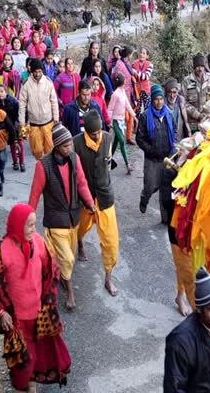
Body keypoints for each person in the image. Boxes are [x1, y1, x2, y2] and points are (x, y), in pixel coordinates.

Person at [0, 204, 71, 393]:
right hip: (17, 322)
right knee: (23, 365)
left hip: (39, 316)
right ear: (17, 224)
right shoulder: (1, 252)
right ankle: (28, 387)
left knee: (40, 357)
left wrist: (48, 299)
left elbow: (50, 268)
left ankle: (32, 388)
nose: (33, 229)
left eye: (34, 224)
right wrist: (1, 312)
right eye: (29, 225)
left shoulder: (38, 242)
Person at [28, 124, 96, 311]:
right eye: (66, 146)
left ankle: (56, 274)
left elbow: (82, 183)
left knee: (67, 255)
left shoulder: (75, 158)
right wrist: (28, 219)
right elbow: (35, 194)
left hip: (74, 217)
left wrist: (90, 203)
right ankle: (70, 292)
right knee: (67, 258)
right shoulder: (43, 165)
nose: (70, 148)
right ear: (57, 146)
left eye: (70, 145)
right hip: (55, 219)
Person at [74, 111, 120, 297]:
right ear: (86, 131)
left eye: (99, 131)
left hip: (105, 197)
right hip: (85, 198)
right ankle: (80, 243)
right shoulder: (76, 143)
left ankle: (108, 278)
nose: (97, 136)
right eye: (93, 134)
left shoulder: (108, 138)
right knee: (80, 229)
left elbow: (109, 163)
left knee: (111, 241)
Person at [135, 84, 174, 223]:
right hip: (152, 158)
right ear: (152, 100)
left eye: (161, 99)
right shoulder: (145, 116)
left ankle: (165, 218)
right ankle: (144, 198)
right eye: (156, 99)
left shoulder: (168, 114)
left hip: (166, 158)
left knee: (165, 189)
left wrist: (173, 150)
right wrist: (150, 149)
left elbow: (174, 131)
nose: (159, 102)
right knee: (151, 186)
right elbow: (139, 138)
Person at [18, 58, 59, 161]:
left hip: (48, 123)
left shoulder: (48, 82)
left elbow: (54, 101)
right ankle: (42, 171)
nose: (37, 74)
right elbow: (22, 104)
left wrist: (56, 118)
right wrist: (22, 122)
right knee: (37, 151)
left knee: (50, 150)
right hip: (34, 125)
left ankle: (50, 173)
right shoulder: (26, 84)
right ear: (32, 71)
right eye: (35, 72)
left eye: (39, 71)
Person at [108, 73, 137, 174]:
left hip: (121, 120)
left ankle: (109, 159)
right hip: (115, 121)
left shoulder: (123, 91)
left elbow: (127, 105)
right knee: (121, 141)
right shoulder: (115, 94)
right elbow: (110, 109)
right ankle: (127, 164)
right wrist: (110, 122)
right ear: (123, 81)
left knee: (116, 141)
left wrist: (134, 115)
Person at [0, 85, 25, 172]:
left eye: (2, 91)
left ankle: (22, 162)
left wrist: (18, 122)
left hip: (16, 125)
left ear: (6, 92)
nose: (0, 94)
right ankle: (15, 162)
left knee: (20, 144)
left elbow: (20, 111)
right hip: (7, 127)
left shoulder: (13, 101)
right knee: (12, 145)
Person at [111, 47, 136, 143]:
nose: (132, 56)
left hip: (129, 93)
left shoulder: (127, 64)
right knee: (124, 116)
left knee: (130, 116)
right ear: (128, 55)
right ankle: (120, 135)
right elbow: (117, 78)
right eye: (131, 54)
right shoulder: (119, 65)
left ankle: (128, 137)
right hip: (122, 93)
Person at [182, 55, 209, 133]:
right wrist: (198, 115)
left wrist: (207, 115)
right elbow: (184, 103)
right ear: (194, 67)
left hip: (207, 123)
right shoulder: (186, 81)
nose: (200, 69)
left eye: (202, 66)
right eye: (197, 66)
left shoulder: (209, 81)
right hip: (192, 125)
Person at [132, 46, 153, 111]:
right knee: (137, 109)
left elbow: (146, 76)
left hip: (146, 90)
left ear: (147, 56)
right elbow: (131, 75)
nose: (141, 54)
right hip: (136, 90)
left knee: (147, 109)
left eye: (144, 53)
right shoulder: (134, 63)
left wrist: (136, 72)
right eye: (141, 53)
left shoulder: (150, 64)